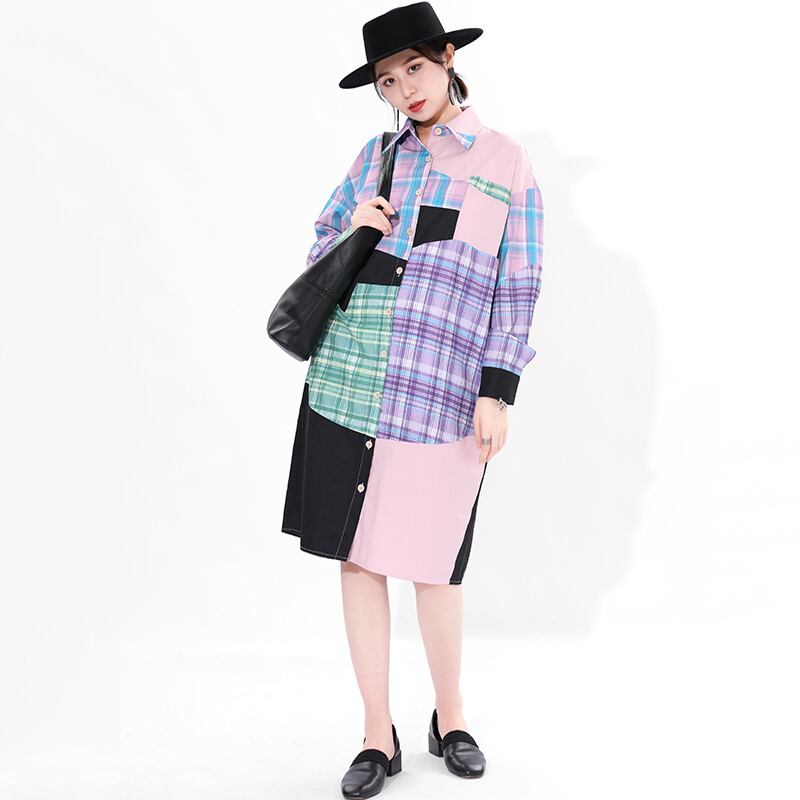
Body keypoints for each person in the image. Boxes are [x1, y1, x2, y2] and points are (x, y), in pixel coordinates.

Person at [280, 3, 544, 796]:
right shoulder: (376, 156)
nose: (405, 91)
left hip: (444, 392)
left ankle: (450, 718)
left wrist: (498, 389)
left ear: (448, 57)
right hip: (351, 381)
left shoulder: (505, 160)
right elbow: (321, 246)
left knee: (436, 566)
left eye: (415, 70)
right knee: (360, 559)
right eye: (388, 83)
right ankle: (376, 733)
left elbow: (518, 282)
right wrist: (353, 228)